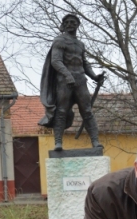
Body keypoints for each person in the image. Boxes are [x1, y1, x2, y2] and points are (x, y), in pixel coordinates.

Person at [39, 13, 105, 151]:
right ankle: (58, 143)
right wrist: (68, 75)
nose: (70, 24)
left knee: (87, 111)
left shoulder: (80, 44)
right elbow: (56, 61)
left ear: (77, 25)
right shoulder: (59, 41)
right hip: (64, 82)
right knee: (61, 111)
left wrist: (94, 76)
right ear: (63, 25)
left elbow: (84, 63)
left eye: (73, 22)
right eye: (67, 22)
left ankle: (95, 142)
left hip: (81, 80)